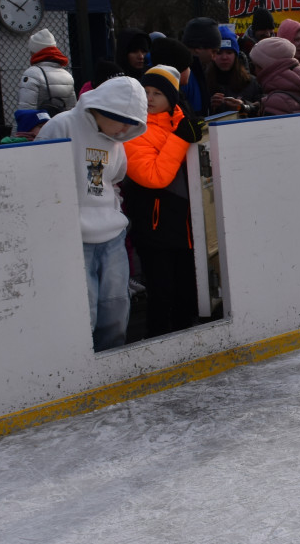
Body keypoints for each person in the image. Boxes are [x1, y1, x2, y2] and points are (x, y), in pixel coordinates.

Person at [35, 75, 147, 351]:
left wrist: (113, 215)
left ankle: (110, 368)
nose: (124, 130)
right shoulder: (61, 126)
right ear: (104, 108)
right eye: (122, 120)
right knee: (83, 314)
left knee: (116, 310)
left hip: (112, 239)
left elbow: (114, 181)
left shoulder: (116, 141)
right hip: (73, 240)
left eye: (131, 124)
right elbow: (39, 179)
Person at [122, 65, 202, 338]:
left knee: (187, 288)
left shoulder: (182, 121)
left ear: (172, 96)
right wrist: (181, 139)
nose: (150, 98)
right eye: (146, 92)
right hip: (154, 225)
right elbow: (154, 176)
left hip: (186, 223)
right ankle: (157, 341)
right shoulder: (133, 129)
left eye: (158, 92)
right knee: (161, 290)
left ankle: (187, 337)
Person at [250, 37, 300, 116]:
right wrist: (264, 103)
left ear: (264, 67)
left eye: (254, 66)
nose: (254, 72)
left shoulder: (276, 102)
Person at [206, 25, 261, 116]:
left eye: (229, 52)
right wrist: (209, 107)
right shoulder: (203, 82)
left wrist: (243, 106)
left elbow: (262, 111)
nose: (224, 57)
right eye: (219, 53)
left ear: (236, 55)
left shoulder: (251, 82)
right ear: (213, 55)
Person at [18, 28, 77, 112]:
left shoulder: (32, 74)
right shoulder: (67, 76)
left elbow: (26, 110)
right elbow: (72, 109)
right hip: (61, 124)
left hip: (43, 124)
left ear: (35, 52)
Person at [180, 17, 221, 116]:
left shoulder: (197, 69)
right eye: (213, 51)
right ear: (198, 47)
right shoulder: (183, 73)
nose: (214, 58)